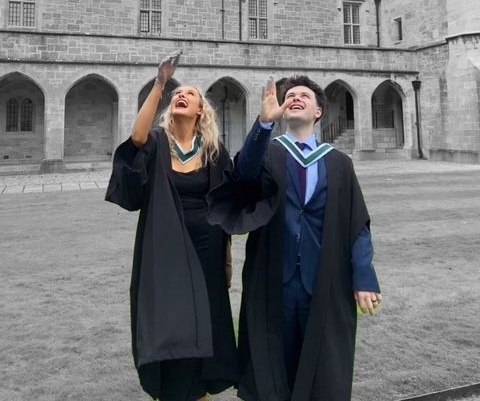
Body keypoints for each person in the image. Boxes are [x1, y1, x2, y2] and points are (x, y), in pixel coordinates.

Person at [207, 75, 382, 401]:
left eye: (305, 95)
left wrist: (365, 277)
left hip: (325, 281)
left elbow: (356, 223)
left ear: (319, 112)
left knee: (322, 367)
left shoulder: (339, 163)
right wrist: (263, 124)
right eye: (291, 95)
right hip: (273, 279)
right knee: (270, 367)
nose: (296, 98)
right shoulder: (269, 154)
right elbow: (243, 174)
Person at [105, 52, 238, 401]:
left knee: (204, 315)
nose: (183, 96)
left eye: (191, 95)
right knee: (171, 315)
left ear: (200, 112)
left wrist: (226, 256)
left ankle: (200, 390)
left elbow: (226, 203)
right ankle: (174, 388)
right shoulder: (156, 144)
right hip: (165, 245)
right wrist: (161, 83)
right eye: (180, 94)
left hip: (207, 245)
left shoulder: (212, 150)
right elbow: (136, 138)